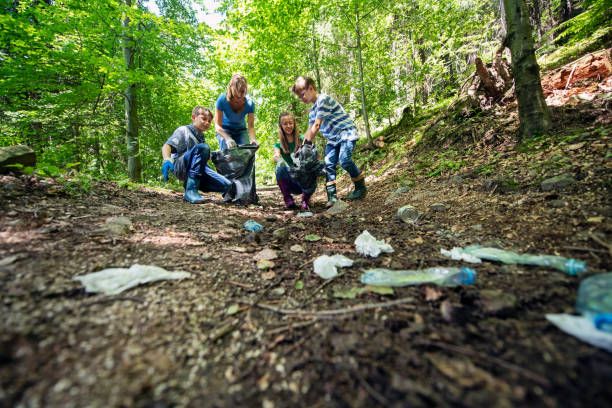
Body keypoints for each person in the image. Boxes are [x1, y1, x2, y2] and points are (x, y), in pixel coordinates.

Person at [291, 76, 366, 207]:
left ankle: (360, 187)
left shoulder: (323, 100)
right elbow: (309, 130)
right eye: (299, 97)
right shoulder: (312, 111)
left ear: (311, 88)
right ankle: (332, 197)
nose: (302, 98)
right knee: (328, 164)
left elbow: (316, 126)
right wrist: (302, 147)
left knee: (344, 160)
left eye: (302, 95)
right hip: (333, 139)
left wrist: (307, 144)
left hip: (345, 133)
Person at [161, 106, 233, 204]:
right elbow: (167, 145)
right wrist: (166, 159)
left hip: (197, 170)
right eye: (204, 119)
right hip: (181, 165)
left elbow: (203, 159)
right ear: (194, 117)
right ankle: (191, 191)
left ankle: (190, 184)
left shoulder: (201, 137)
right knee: (203, 147)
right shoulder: (183, 130)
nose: (207, 122)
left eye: (209, 121)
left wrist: (221, 158)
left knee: (227, 185)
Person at [273, 112, 311, 211]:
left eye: (290, 123)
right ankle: (288, 198)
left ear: (294, 124)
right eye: (285, 124)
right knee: (280, 167)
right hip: (291, 180)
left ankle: (305, 200)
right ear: (281, 126)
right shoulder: (278, 144)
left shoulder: (301, 139)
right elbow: (276, 155)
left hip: (303, 180)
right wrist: (278, 159)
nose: (288, 126)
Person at [215, 74, 258, 150]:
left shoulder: (250, 104)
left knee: (247, 152)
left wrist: (253, 139)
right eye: (236, 93)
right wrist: (227, 138)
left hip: (241, 131)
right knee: (227, 153)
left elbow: (251, 126)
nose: (239, 96)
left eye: (242, 93)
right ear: (231, 88)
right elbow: (217, 126)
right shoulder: (222, 100)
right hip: (224, 130)